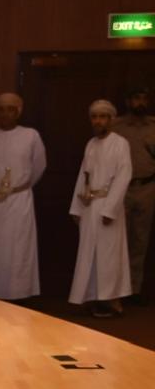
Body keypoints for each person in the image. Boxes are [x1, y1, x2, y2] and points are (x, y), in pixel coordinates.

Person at [0, 92, 47, 300]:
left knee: (17, 249)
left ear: (18, 112)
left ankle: (17, 294)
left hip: (19, 201)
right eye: (1, 110)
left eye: (10, 110)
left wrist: (19, 188)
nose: (5, 114)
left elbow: (39, 166)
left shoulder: (31, 136)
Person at [69, 99, 132, 318]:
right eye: (94, 117)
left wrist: (110, 209)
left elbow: (124, 176)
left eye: (103, 117)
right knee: (89, 254)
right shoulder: (91, 144)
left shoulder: (120, 144)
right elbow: (83, 176)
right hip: (89, 207)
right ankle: (91, 297)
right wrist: (77, 208)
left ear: (111, 119)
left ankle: (111, 301)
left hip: (107, 208)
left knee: (108, 255)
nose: (98, 121)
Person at [112, 85, 155, 298]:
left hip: (146, 187)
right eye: (136, 98)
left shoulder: (153, 126)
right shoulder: (117, 126)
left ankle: (134, 289)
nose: (140, 103)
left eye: (144, 98)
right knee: (119, 239)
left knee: (140, 239)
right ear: (128, 101)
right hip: (121, 189)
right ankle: (118, 289)